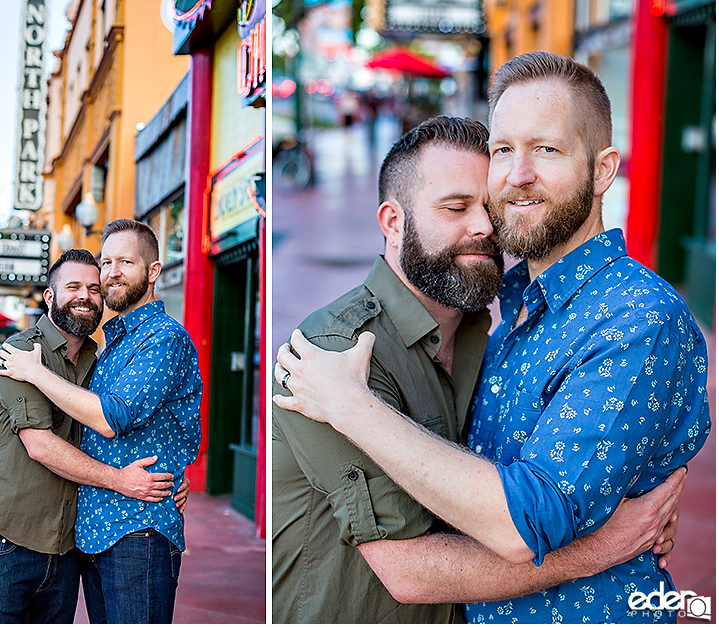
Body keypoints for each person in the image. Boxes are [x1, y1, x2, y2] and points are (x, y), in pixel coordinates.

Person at [275, 52, 710, 623]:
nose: (516, 175)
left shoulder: (636, 318)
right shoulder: (501, 318)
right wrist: (606, 539)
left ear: (604, 170)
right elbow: (419, 554)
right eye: (504, 151)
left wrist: (350, 405)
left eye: (547, 149)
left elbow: (522, 521)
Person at [0, 219, 202, 624]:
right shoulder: (112, 342)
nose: (112, 273)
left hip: (137, 531)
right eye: (106, 262)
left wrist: (36, 373)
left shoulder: (164, 337)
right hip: (95, 532)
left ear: (153, 271)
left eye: (126, 261)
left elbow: (112, 418)